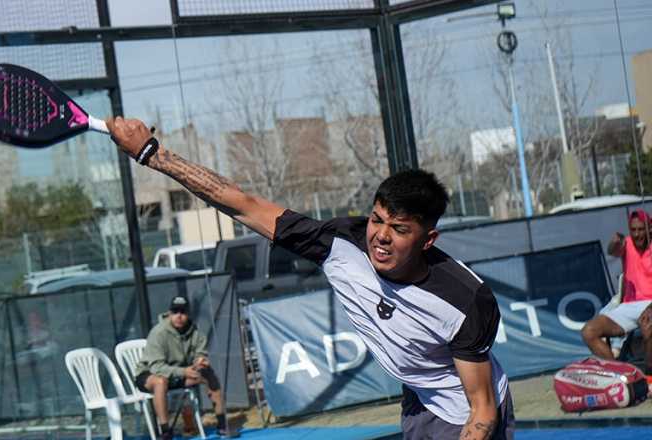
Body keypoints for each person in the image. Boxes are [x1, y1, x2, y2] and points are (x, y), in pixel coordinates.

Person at [108, 117, 513, 440]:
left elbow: (481, 411)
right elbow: (242, 203)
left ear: (429, 239)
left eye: (400, 229)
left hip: (466, 409)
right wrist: (153, 154)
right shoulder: (339, 244)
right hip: (419, 396)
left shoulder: (465, 302)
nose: (381, 237)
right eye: (377, 220)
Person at [134, 295, 238, 439]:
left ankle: (222, 425)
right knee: (160, 381)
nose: (179, 316)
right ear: (170, 313)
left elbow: (200, 352)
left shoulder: (195, 331)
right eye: (176, 312)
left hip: (177, 375)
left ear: (188, 314)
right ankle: (165, 432)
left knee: (208, 374)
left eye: (183, 312)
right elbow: (156, 367)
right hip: (149, 375)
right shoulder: (158, 332)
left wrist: (200, 361)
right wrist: (184, 371)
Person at [581, 209, 652, 370]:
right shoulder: (626, 244)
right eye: (633, 230)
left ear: (649, 229)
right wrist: (614, 242)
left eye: (641, 229)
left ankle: (650, 376)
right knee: (589, 331)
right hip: (629, 305)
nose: (637, 234)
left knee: (648, 325)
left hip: (650, 304)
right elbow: (612, 250)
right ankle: (622, 374)